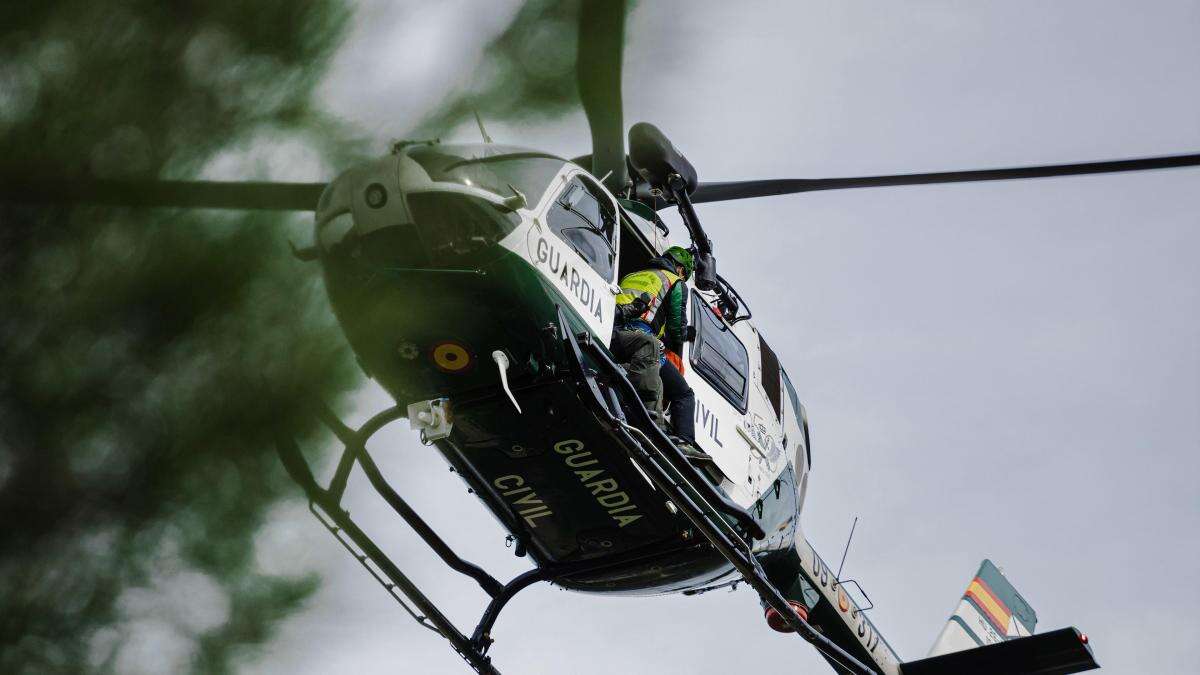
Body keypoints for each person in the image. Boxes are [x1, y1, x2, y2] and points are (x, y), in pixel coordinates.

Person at [612, 246, 704, 459]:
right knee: (683, 394)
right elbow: (676, 328)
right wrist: (687, 334)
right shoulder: (675, 282)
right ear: (681, 269)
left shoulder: (633, 275)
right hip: (641, 340)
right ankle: (683, 443)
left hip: (615, 334)